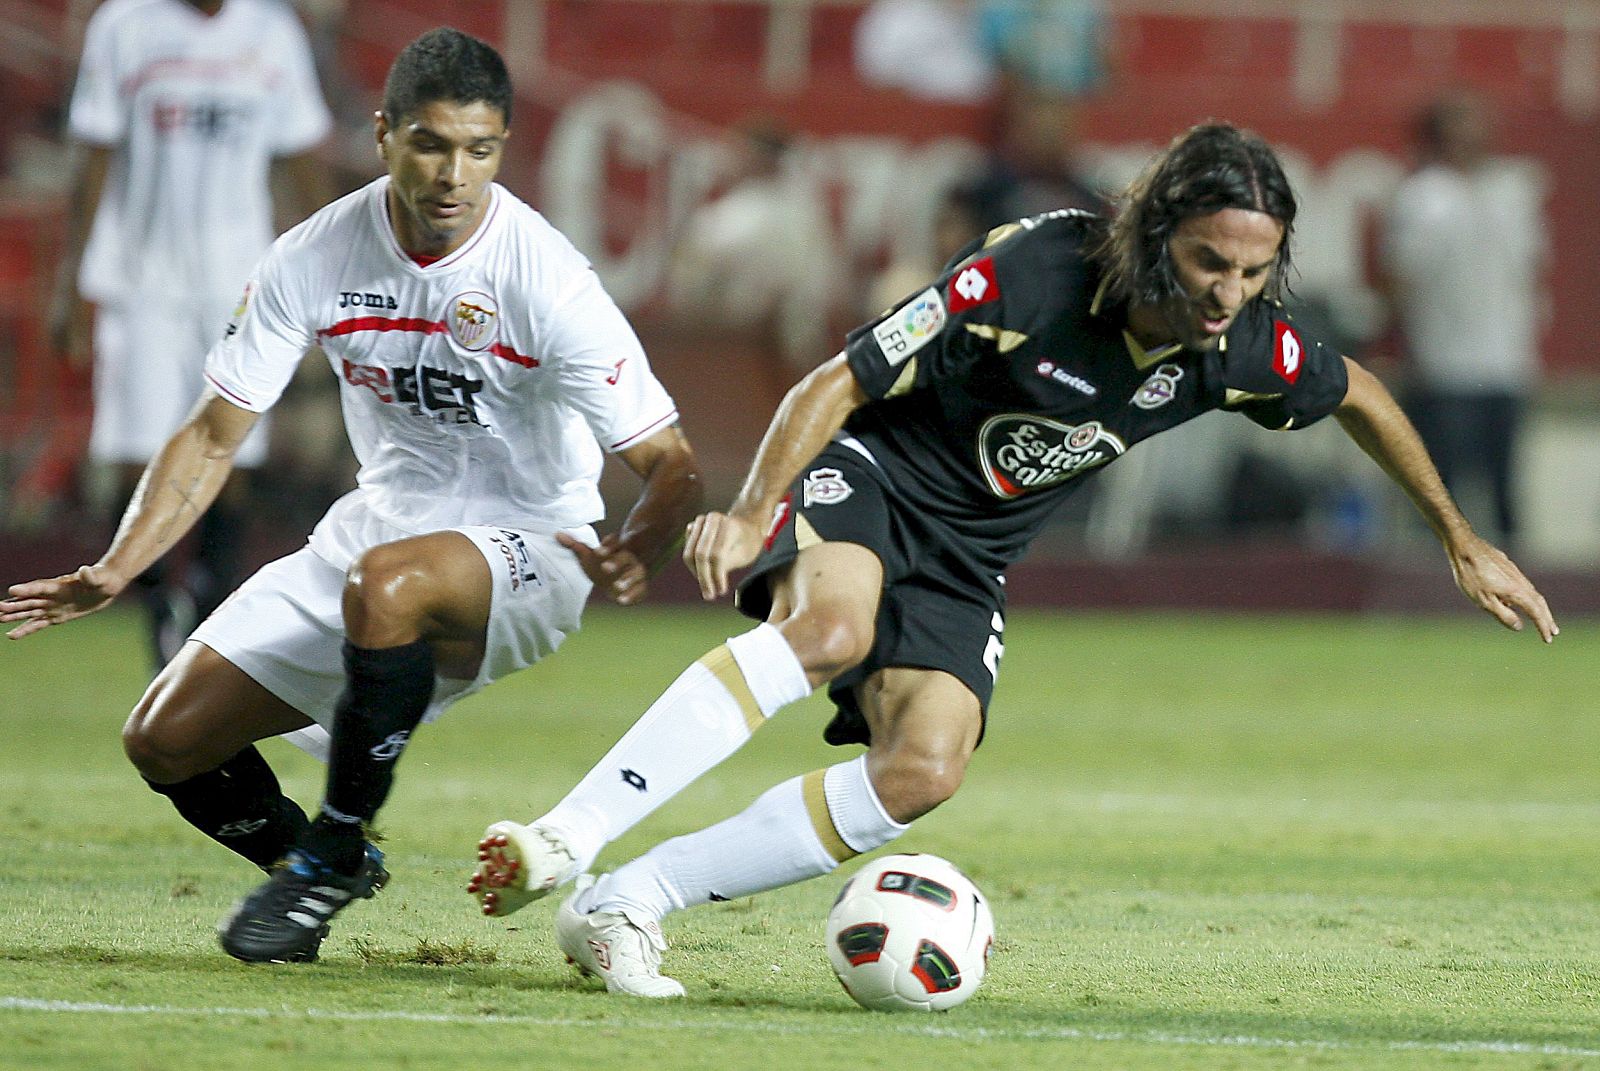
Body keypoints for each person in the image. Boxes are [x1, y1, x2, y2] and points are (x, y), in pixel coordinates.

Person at [465, 122, 1557, 998]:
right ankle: (570, 834)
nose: (1227, 292)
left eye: (1252, 270)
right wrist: (756, 508)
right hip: (873, 473)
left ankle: (626, 902)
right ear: (1152, 232)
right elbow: (836, 381)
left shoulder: (1238, 344)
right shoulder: (1031, 276)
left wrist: (1458, 539)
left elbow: (1358, 390)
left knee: (923, 770)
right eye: (1207, 262)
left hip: (969, 555)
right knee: (831, 629)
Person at [4, 27, 703, 966]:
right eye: (431, 144)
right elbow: (215, 432)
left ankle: (328, 854)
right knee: (164, 739)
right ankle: (313, 852)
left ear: (501, 147)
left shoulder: (547, 279)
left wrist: (637, 546)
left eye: (480, 150)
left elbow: (674, 465)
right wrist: (118, 564)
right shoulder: (314, 254)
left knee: (389, 583)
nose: (455, 174)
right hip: (377, 534)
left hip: (532, 548)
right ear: (383, 136)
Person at [49, 0, 336, 668]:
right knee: (133, 459)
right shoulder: (124, 26)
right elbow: (93, 152)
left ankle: (207, 616)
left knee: (230, 457)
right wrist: (72, 280)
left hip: (238, 284)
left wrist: (325, 275)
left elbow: (301, 157)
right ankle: (156, 601)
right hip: (141, 278)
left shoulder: (272, 33)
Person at [1381, 89, 1546, 548]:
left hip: (1506, 359)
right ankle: (1435, 585)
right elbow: (1399, 276)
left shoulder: (1513, 190)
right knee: (1441, 486)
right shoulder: (1421, 196)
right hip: (1443, 362)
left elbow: (1529, 270)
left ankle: (1519, 582)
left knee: (1504, 485)